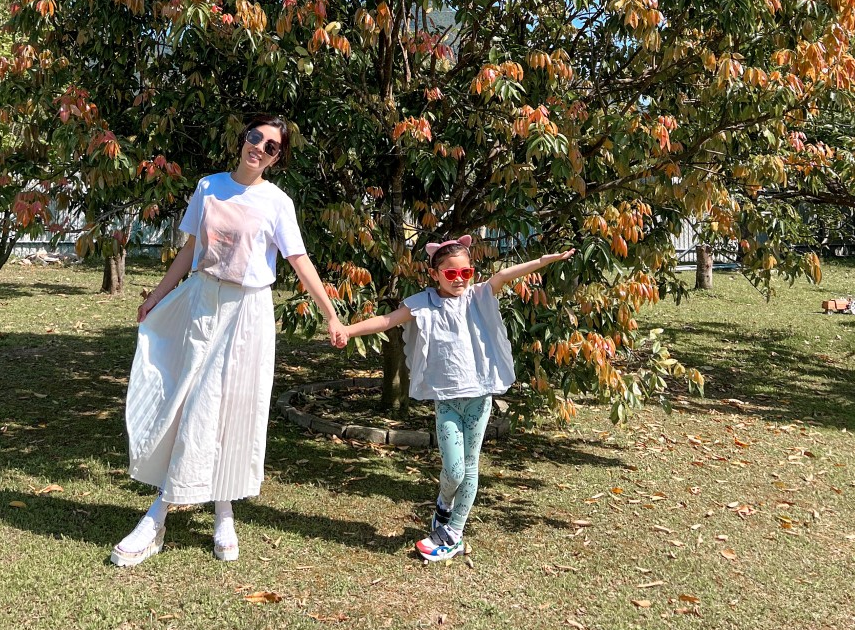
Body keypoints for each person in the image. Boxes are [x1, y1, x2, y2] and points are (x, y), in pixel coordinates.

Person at [111, 113, 343, 567]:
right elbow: (188, 252)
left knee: (235, 409)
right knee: (191, 400)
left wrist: (331, 313)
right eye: (255, 137)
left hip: (249, 313)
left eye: (271, 146)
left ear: (277, 158)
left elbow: (299, 261)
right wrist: (157, 297)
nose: (259, 147)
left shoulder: (277, 203)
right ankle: (159, 514)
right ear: (243, 140)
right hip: (203, 301)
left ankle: (223, 510)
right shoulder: (209, 187)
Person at [334, 235, 574, 561]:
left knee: (471, 468)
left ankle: (452, 534)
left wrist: (545, 260)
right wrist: (348, 330)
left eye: (466, 272)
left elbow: (506, 275)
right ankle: (444, 505)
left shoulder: (477, 296)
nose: (460, 279)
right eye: (450, 274)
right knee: (454, 470)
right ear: (434, 274)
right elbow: (387, 321)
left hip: (479, 399)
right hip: (446, 400)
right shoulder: (423, 302)